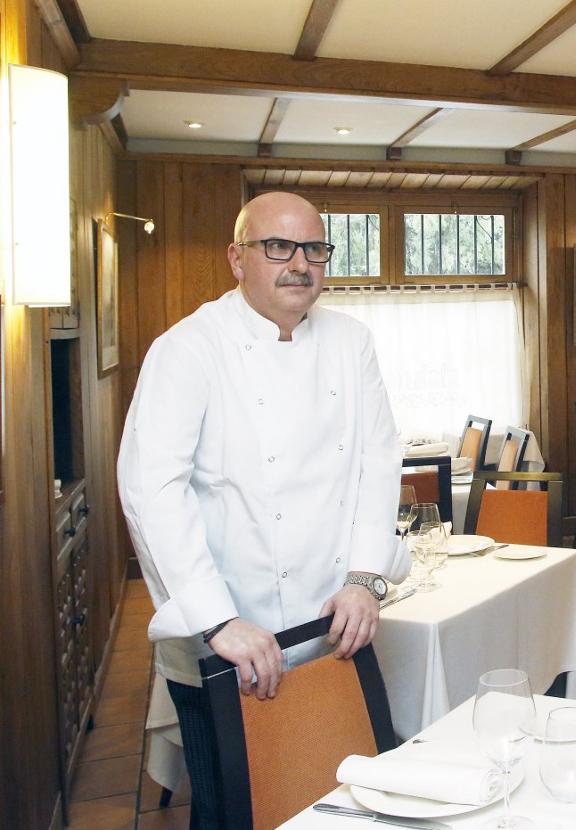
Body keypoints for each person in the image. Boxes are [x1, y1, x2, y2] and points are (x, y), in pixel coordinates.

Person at [117, 191, 408, 828]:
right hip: (228, 636)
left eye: (314, 249)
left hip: (331, 625)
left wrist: (363, 580)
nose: (299, 264)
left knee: (337, 795)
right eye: (278, 247)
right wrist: (217, 621)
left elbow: (376, 464)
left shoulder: (352, 341)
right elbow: (150, 489)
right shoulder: (189, 347)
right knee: (231, 806)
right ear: (237, 258)